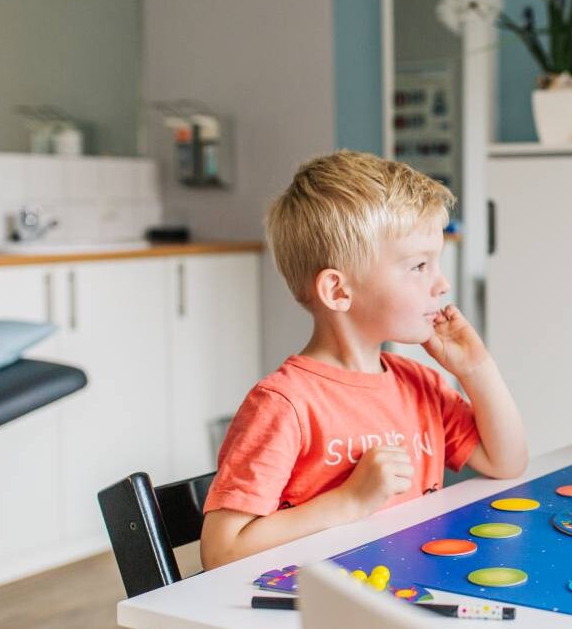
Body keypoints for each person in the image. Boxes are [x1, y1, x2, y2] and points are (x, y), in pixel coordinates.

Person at [200, 151, 526, 569]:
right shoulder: (284, 404)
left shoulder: (419, 384)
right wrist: (348, 501)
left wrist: (476, 369)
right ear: (338, 291)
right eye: (419, 266)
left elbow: (507, 462)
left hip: (409, 584)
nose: (441, 283)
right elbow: (220, 551)